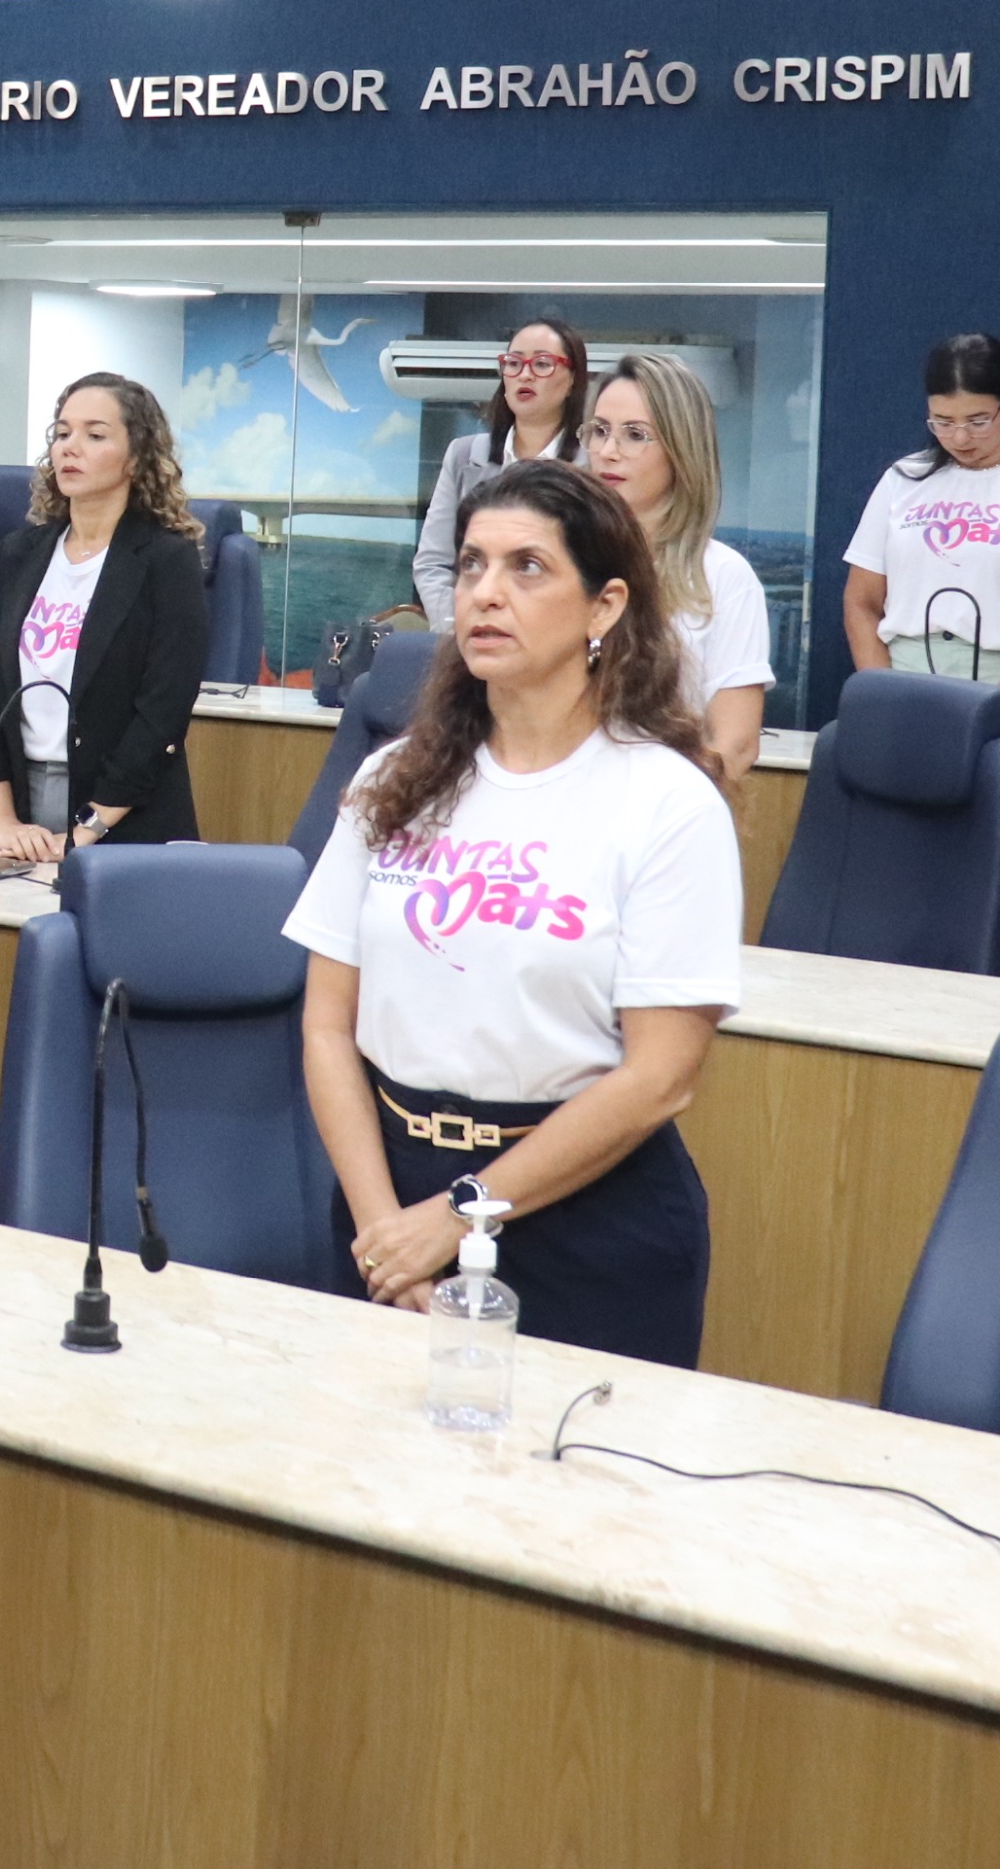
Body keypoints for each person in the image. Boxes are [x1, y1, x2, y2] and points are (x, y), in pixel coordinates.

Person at [290, 459, 737, 1368]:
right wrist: (385, 1229)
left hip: (582, 1213)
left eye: (527, 567)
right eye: (471, 565)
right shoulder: (392, 779)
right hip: (388, 1198)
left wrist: (456, 1218)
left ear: (605, 606)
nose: (486, 593)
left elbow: (661, 1077)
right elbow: (327, 1025)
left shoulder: (667, 801)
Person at [0, 371, 208, 865]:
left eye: (95, 435)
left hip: (126, 816)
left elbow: (162, 713)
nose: (70, 448)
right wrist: (0, 820)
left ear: (136, 457)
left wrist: (88, 827)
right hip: (19, 809)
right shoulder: (18, 553)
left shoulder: (167, 561)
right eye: (62, 433)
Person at [839, 332, 1000, 693]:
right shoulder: (902, 479)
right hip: (902, 677)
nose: (960, 438)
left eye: (978, 421)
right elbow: (861, 602)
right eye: (943, 422)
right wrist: (880, 692)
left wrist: (999, 705)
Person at [582, 351, 773, 790]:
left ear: (680, 448)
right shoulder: (563, 559)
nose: (608, 452)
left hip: (663, 804)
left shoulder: (723, 576)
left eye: (634, 435)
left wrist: (664, 811)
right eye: (600, 431)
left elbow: (736, 745)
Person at [412, 318, 588, 619]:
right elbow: (432, 563)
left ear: (573, 379)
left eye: (542, 364)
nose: (525, 375)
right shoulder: (463, 456)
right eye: (514, 363)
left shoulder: (591, 468)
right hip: (470, 631)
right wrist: (457, 627)